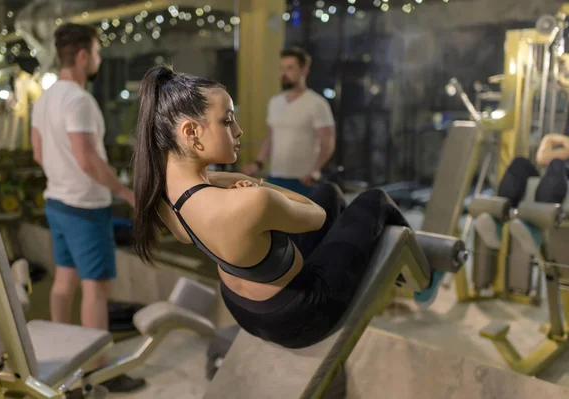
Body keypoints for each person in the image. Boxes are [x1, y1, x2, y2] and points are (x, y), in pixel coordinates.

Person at [131, 65, 444, 350]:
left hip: (242, 309)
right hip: (301, 316)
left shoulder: (162, 198)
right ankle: (425, 279)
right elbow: (315, 216)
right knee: (374, 200)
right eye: (227, 120)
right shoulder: (250, 201)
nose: (238, 130)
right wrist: (257, 186)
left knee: (330, 192)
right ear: (190, 132)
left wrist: (238, 179)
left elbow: (213, 186)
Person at [30, 23, 145, 393]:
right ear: (82, 56)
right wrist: (126, 194)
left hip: (57, 203)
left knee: (64, 282)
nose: (99, 58)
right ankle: (99, 372)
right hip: (84, 207)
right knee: (95, 290)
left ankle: (63, 367)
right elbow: (87, 159)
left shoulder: (44, 100)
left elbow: (38, 153)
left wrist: (62, 178)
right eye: (96, 52)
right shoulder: (79, 100)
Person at [240, 47, 336, 197]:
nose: (284, 73)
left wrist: (315, 170)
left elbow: (327, 142)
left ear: (304, 71)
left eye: (290, 68)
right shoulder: (275, 102)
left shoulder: (317, 103)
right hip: (276, 177)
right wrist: (257, 163)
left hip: (304, 180)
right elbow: (270, 138)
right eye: (282, 68)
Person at [474, 133, 569, 255]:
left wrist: (560, 146)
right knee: (519, 164)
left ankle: (535, 230)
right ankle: (496, 221)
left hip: (560, 175)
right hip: (555, 174)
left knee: (556, 164)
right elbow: (541, 158)